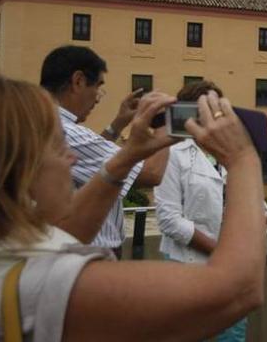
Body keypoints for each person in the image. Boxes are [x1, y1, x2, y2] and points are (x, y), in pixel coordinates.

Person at [0, 74, 265, 341]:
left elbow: (66, 230)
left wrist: (130, 155)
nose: (71, 160)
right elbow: (236, 290)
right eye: (57, 148)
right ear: (16, 173)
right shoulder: (22, 286)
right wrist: (244, 157)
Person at [40, 46, 170, 256]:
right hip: (90, 251)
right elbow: (152, 173)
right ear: (78, 81)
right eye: (98, 86)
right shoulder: (67, 132)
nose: (98, 98)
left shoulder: (44, 122)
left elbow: (90, 161)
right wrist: (164, 122)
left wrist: (117, 125)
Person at [155, 80, 247, 341]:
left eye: (218, 107)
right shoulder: (173, 153)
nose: (216, 114)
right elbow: (169, 220)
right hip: (188, 267)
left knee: (231, 335)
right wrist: (219, 251)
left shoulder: (230, 153)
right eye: (209, 107)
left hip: (231, 268)